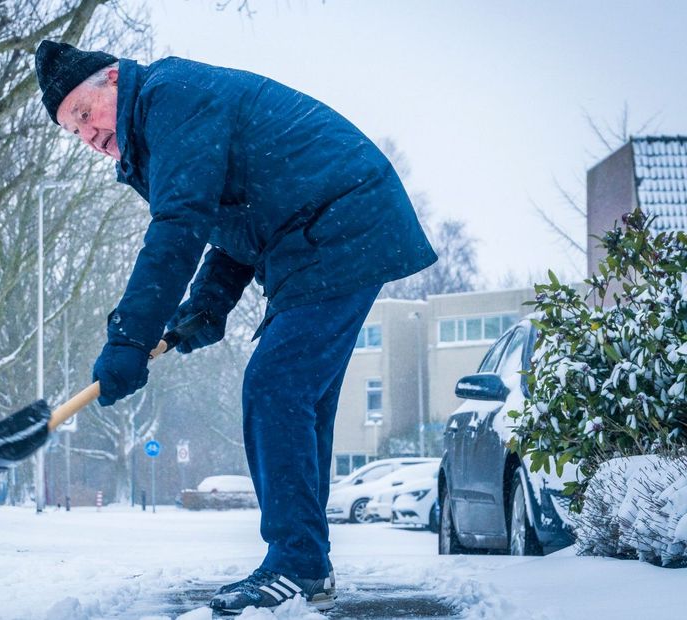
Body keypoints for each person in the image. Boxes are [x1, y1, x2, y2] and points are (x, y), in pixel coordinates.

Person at [34, 40, 436, 614]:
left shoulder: (170, 97)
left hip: (340, 222)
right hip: (317, 233)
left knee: (277, 385)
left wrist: (128, 337)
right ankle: (304, 563)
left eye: (83, 113)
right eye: (72, 132)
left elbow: (180, 225)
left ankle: (297, 564)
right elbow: (238, 218)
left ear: (114, 80)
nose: (87, 136)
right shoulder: (163, 119)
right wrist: (206, 306)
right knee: (298, 396)